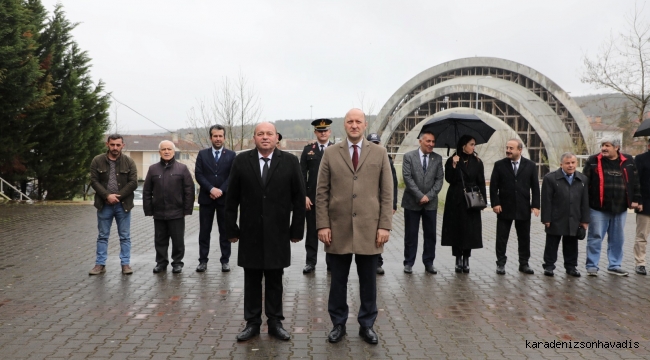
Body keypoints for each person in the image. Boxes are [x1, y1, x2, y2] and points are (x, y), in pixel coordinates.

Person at [316, 108, 393, 345]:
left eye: (358, 121)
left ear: (365, 124)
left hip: (370, 230)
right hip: (337, 229)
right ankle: (338, 324)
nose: (354, 125)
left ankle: (367, 325)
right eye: (350, 121)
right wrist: (322, 225)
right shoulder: (330, 153)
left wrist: (384, 226)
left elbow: (387, 192)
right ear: (344, 125)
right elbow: (321, 192)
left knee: (368, 281)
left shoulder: (379, 153)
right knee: (337, 281)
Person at [225, 122, 305, 341]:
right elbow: (231, 198)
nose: (265, 137)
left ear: (277, 137)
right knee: (251, 279)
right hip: (249, 232)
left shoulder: (289, 161)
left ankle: (275, 322)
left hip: (278, 232)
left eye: (269, 134)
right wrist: (231, 229)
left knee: (274, 279)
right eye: (260, 134)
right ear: (254, 138)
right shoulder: (241, 161)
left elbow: (299, 197)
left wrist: (296, 229)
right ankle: (252, 323)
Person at [583, 136, 640, 276]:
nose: (604, 148)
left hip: (620, 207)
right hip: (598, 207)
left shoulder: (628, 161)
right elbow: (584, 183)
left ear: (616, 147)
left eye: (607, 145)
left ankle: (614, 265)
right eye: (603, 145)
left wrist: (636, 199)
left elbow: (636, 182)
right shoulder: (593, 161)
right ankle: (592, 266)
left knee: (617, 238)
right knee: (595, 236)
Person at [143, 140, 195, 274]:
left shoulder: (182, 168)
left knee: (178, 240)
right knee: (160, 240)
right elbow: (147, 191)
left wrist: (187, 209)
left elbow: (189, 189)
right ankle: (161, 263)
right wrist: (148, 209)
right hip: (159, 212)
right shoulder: (153, 169)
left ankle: (177, 263)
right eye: (163, 149)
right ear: (159, 152)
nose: (166, 151)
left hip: (177, 212)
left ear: (174, 151)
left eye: (169, 149)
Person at [89, 134, 137, 275]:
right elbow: (94, 181)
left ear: (123, 145)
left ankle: (125, 264)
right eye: (112, 145)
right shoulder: (97, 161)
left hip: (123, 205)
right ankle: (100, 264)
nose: (115, 147)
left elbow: (133, 182)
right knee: (103, 236)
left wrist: (118, 196)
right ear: (107, 145)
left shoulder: (129, 162)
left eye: (118, 145)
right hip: (104, 205)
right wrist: (107, 195)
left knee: (125, 236)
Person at [489, 139, 540, 275]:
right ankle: (500, 263)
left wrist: (535, 205)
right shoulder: (499, 165)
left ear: (519, 150)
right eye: (507, 147)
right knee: (501, 238)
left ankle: (524, 263)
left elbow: (535, 187)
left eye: (511, 148)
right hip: (504, 208)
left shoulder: (530, 166)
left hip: (523, 208)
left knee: (524, 238)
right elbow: (493, 187)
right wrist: (495, 203)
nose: (508, 150)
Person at [441, 135, 486, 273]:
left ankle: (466, 258)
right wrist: (453, 165)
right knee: (456, 229)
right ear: (463, 145)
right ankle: (457, 258)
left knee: (469, 231)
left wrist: (482, 200)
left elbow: (481, 181)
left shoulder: (477, 162)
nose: (473, 147)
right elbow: (449, 179)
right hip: (456, 199)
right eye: (471, 144)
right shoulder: (452, 160)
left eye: (474, 144)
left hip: (471, 199)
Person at [400, 130, 444, 274]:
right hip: (412, 202)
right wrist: (420, 196)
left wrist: (428, 196)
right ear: (420, 141)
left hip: (430, 204)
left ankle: (429, 262)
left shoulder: (437, 159)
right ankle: (409, 263)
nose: (431, 144)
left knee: (430, 235)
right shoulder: (409, 157)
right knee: (411, 235)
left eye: (433, 142)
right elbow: (407, 178)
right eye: (428, 141)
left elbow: (439, 180)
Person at [194, 125, 236, 273]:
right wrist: (211, 189)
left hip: (224, 201)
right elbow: (199, 174)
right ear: (210, 137)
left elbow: (233, 175)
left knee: (225, 232)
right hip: (206, 199)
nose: (218, 139)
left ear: (224, 137)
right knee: (204, 232)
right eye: (215, 136)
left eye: (220, 136)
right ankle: (203, 261)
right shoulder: (202, 154)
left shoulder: (232, 155)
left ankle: (225, 261)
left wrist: (221, 190)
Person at [540, 152, 589, 277]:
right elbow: (546, 200)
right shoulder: (550, 178)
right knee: (552, 243)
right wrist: (546, 218)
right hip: (555, 217)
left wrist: (585, 220)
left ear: (576, 163)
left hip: (574, 217)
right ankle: (549, 266)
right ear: (561, 164)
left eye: (573, 163)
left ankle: (571, 267)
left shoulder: (582, 179)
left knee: (571, 244)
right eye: (567, 163)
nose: (571, 165)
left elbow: (585, 201)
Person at [300, 118, 334, 274]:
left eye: (325, 130)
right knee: (312, 232)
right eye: (320, 131)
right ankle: (310, 262)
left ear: (330, 132)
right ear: (315, 133)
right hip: (312, 199)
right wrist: (304, 196)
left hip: (333, 199)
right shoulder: (308, 150)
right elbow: (301, 175)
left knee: (332, 232)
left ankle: (331, 263)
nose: (323, 133)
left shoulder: (336, 150)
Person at [366, 133, 398, 275]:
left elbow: (393, 184)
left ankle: (378, 262)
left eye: (377, 143)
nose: (375, 145)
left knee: (379, 233)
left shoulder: (386, 159)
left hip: (381, 203)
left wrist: (393, 204)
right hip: (368, 202)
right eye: (372, 143)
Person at [634, 140, 650, 275]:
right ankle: (640, 263)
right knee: (642, 235)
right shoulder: (640, 159)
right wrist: (638, 201)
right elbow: (636, 181)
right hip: (645, 204)